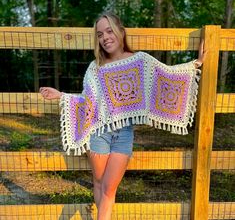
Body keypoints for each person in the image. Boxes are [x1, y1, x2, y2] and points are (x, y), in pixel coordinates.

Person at [40, 13, 206, 220]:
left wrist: (196, 64)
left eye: (109, 31)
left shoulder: (140, 61)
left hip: (124, 135)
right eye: (100, 34)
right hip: (99, 132)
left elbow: (167, 76)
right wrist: (61, 96)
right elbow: (87, 101)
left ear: (121, 31)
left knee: (109, 189)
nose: (105, 37)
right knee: (100, 185)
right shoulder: (96, 67)